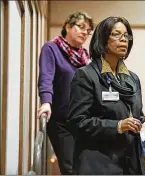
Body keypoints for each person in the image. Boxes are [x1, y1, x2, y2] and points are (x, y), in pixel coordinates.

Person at [67, 16, 145, 175]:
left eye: (126, 36)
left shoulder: (132, 79)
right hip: (98, 164)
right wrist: (117, 126)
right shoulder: (86, 75)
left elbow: (136, 117)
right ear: (102, 39)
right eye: (116, 34)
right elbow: (77, 122)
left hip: (131, 164)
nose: (124, 40)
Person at [37, 11, 93, 174]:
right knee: (70, 168)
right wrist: (46, 102)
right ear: (68, 26)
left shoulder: (85, 57)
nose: (85, 32)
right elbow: (46, 77)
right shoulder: (52, 49)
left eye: (88, 30)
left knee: (86, 168)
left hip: (85, 120)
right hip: (62, 121)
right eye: (81, 27)